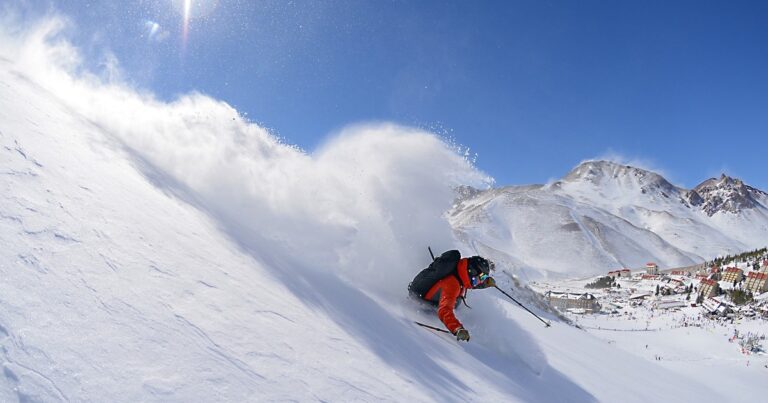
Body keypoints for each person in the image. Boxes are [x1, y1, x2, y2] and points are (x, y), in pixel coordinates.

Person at [408, 250, 496, 342]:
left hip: (438, 299)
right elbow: (444, 310)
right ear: (471, 271)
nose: (478, 283)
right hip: (427, 307)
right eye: (479, 279)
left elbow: (470, 283)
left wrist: (486, 283)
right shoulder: (452, 284)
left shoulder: (460, 271)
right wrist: (457, 329)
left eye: (483, 279)